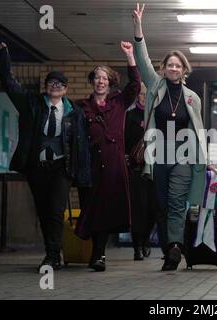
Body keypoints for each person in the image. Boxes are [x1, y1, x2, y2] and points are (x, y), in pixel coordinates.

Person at [0, 42, 91, 271]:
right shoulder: (32, 104)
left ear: (66, 89)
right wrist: (3, 56)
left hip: (61, 167)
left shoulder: (74, 112)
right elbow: (10, 84)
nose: (55, 86)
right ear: (46, 86)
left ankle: (52, 255)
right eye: (51, 82)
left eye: (60, 84)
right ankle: (52, 250)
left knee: (55, 209)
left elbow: (80, 145)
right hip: (37, 167)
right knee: (42, 210)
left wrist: (82, 174)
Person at [132, 3, 208, 271]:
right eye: (170, 65)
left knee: (177, 201)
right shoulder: (155, 86)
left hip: (183, 154)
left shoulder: (193, 98)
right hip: (158, 153)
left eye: (178, 66)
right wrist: (138, 30)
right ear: (163, 69)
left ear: (184, 70)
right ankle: (168, 249)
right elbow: (142, 63)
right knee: (161, 205)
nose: (174, 69)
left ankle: (175, 247)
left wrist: (204, 158)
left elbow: (198, 130)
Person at [75, 42, 141, 272]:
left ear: (110, 82)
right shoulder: (82, 107)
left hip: (113, 165)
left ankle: (98, 255)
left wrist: (130, 55)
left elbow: (135, 84)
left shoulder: (119, 102)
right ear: (92, 82)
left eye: (104, 78)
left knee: (105, 210)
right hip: (90, 166)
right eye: (97, 78)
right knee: (91, 209)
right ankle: (96, 253)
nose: (100, 81)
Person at [125, 83, 157, 261]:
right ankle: (137, 246)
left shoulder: (158, 116)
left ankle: (145, 240)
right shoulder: (129, 116)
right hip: (136, 170)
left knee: (153, 209)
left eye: (148, 94)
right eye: (142, 94)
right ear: (137, 96)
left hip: (154, 169)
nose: (144, 97)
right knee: (138, 210)